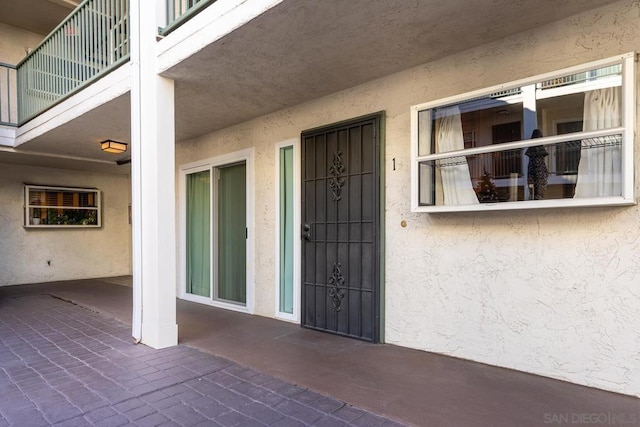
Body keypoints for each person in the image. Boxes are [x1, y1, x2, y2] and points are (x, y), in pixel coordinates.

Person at [525, 129, 548, 200]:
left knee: (537, 193)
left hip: (537, 175)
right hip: (538, 175)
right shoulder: (536, 151)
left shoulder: (535, 151)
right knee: (538, 194)